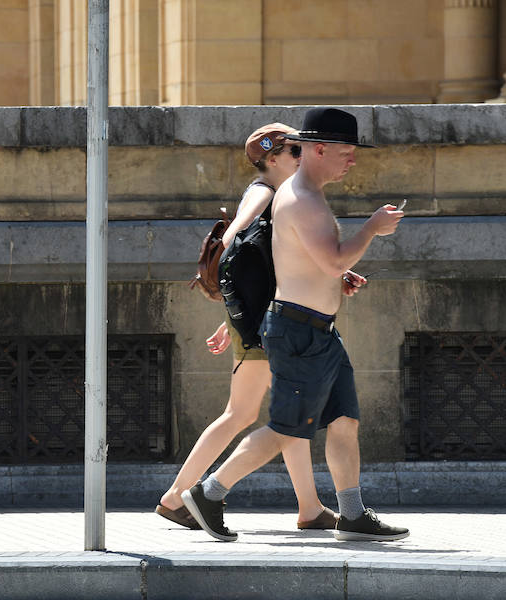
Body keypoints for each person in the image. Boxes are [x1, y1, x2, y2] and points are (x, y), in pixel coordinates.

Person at [182, 107, 409, 542]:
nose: (353, 159)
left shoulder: (306, 193)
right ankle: (208, 494)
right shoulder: (300, 197)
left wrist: (335, 279)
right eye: (347, 151)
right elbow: (334, 257)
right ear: (319, 149)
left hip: (318, 330)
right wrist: (372, 229)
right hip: (298, 331)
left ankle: (352, 514)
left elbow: (318, 263)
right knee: (287, 428)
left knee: (343, 418)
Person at [157, 123, 363, 532]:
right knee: (260, 413)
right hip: (271, 320)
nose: (300, 158)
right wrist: (237, 312)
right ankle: (181, 495)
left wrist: (231, 316)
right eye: (293, 153)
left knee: (279, 412)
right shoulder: (264, 192)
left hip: (263, 315)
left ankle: (308, 507)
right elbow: (235, 243)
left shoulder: (281, 196)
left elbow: (267, 261)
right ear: (272, 158)